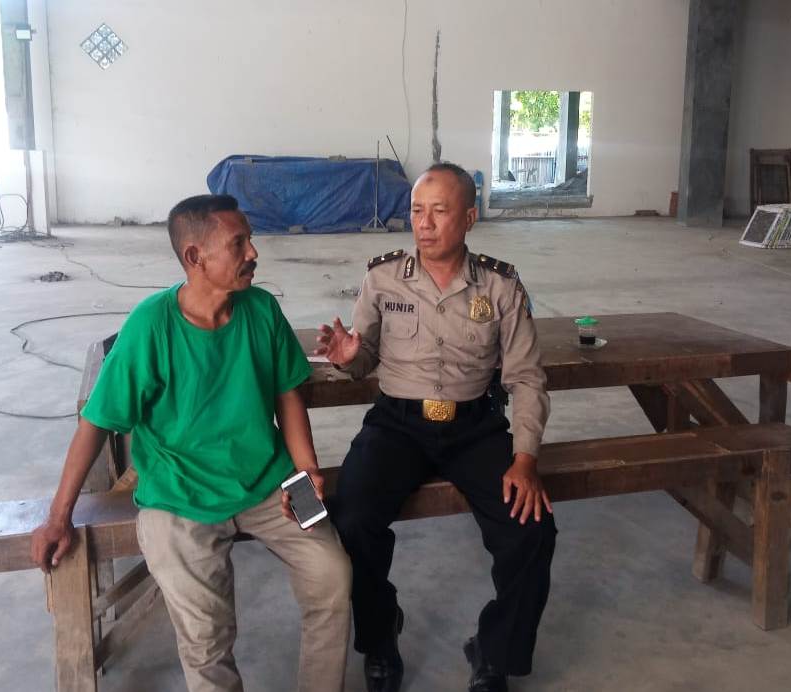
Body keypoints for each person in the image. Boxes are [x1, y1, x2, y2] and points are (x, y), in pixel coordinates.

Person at [31, 194, 352, 692]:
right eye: (239, 244)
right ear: (194, 257)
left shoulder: (262, 309)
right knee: (207, 636)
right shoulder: (151, 326)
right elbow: (95, 423)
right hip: (178, 498)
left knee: (333, 575)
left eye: (250, 240)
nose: (254, 253)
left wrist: (306, 470)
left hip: (272, 481)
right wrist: (58, 517)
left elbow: (288, 396)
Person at [315, 163, 556, 692]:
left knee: (532, 530)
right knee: (351, 517)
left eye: (439, 212)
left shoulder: (500, 284)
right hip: (397, 425)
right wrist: (350, 357)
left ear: (469, 217)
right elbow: (364, 356)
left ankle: (493, 651)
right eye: (417, 211)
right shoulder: (382, 278)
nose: (423, 224)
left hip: (475, 427)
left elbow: (526, 378)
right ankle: (381, 634)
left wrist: (525, 459)